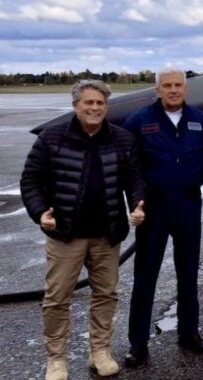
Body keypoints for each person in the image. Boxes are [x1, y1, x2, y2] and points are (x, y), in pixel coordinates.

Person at [20, 80, 145, 380]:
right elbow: (31, 181)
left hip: (107, 233)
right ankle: (56, 360)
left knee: (105, 294)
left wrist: (137, 205)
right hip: (65, 235)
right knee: (57, 298)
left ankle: (99, 352)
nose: (94, 108)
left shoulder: (122, 139)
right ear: (76, 105)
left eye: (100, 103)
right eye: (88, 102)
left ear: (106, 107)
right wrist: (40, 213)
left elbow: (135, 178)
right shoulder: (52, 138)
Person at [123, 67, 203, 367]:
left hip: (188, 206)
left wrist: (193, 183)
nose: (173, 90)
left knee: (188, 274)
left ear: (185, 89)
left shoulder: (200, 121)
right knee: (145, 276)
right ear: (157, 90)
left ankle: (189, 333)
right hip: (154, 209)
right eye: (167, 86)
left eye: (178, 85)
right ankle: (138, 344)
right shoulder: (139, 122)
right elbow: (131, 168)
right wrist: (137, 202)